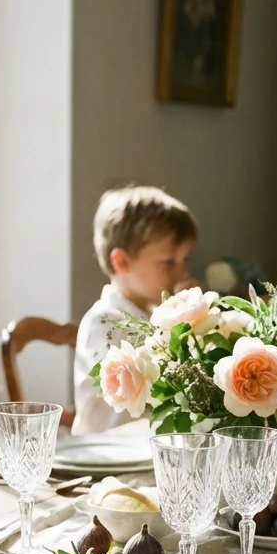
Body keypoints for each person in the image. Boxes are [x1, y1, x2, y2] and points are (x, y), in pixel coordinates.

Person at [72, 186, 198, 435]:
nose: (182, 274)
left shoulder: (156, 316)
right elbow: (134, 410)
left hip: (149, 452)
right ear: (122, 262)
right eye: (169, 263)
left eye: (185, 261)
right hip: (106, 456)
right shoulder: (105, 324)